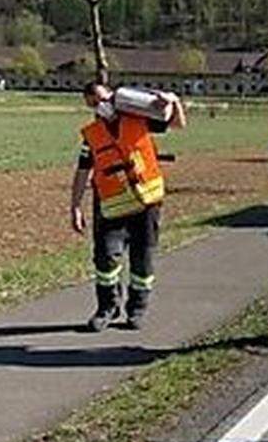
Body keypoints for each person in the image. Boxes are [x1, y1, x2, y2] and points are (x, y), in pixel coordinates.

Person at [70, 81, 187, 332]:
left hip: (146, 202)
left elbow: (178, 124)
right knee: (105, 260)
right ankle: (107, 309)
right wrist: (75, 207)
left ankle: (137, 309)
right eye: (94, 103)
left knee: (142, 259)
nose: (101, 106)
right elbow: (82, 171)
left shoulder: (138, 120)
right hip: (111, 206)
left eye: (103, 99)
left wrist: (174, 101)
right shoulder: (92, 135)